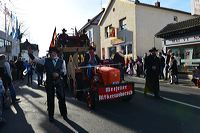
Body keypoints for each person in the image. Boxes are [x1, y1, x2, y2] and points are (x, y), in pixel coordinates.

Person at [28, 47, 68, 122]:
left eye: (54, 52)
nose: (52, 53)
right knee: (50, 99)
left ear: (56, 53)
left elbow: (64, 72)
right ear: (50, 53)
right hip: (49, 82)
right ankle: (51, 115)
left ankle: (64, 114)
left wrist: (58, 74)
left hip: (59, 82)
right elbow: (36, 60)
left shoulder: (62, 61)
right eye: (51, 52)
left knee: (62, 98)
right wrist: (30, 54)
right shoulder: (45, 60)